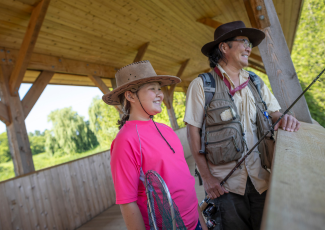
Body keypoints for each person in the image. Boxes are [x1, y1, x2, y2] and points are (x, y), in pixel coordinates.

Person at [184, 21, 300, 230]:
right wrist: (208, 179)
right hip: (225, 187)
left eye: (250, 44)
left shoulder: (256, 82)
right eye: (244, 42)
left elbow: (274, 113)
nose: (249, 48)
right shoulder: (202, 85)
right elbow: (193, 133)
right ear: (224, 47)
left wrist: (284, 118)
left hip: (262, 179)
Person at [102, 60, 207, 230]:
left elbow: (184, 183)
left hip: (195, 223)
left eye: (160, 89)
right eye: (152, 89)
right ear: (130, 96)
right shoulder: (125, 140)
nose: (160, 94)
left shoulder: (166, 129)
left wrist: (201, 222)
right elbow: (127, 202)